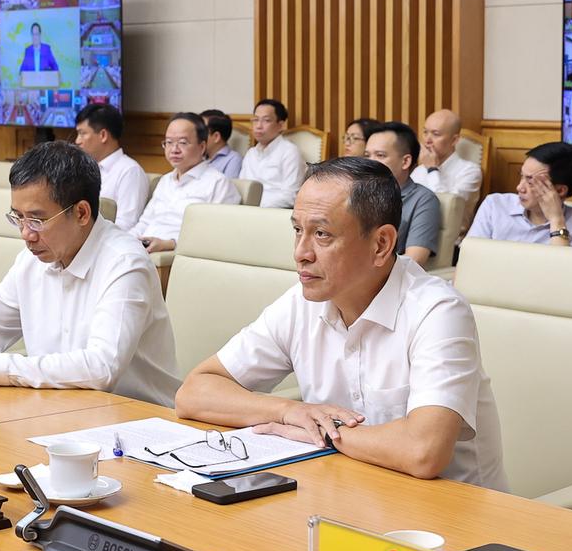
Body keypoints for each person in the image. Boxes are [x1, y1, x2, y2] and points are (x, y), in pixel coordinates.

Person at [175, 159, 508, 489]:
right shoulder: (301, 303)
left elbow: (423, 451)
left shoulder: (437, 311)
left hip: (448, 514)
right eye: (297, 230)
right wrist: (288, 411)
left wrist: (322, 432)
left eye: (322, 234)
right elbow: (194, 393)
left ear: (381, 244)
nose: (301, 253)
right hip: (346, 494)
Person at [0, 142, 179, 405]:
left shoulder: (125, 263)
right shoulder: (33, 259)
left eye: (37, 220)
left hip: (136, 419)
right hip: (58, 407)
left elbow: (101, 367)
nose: (26, 234)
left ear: (81, 213)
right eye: (18, 217)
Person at [132, 112, 240, 253]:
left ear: (202, 147)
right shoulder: (165, 180)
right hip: (142, 249)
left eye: (182, 143)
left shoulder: (218, 183)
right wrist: (125, 239)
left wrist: (170, 244)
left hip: (176, 255)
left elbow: (215, 235)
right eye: (169, 142)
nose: (174, 150)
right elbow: (144, 222)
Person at [468, 141, 572, 248]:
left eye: (530, 182)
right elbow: (470, 258)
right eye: (521, 176)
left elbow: (564, 270)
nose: (519, 187)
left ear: (559, 191)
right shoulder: (495, 205)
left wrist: (556, 221)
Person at [362, 122, 441, 265]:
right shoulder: (355, 192)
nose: (370, 163)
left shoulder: (423, 199)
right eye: (367, 156)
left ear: (405, 161)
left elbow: (414, 260)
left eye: (380, 155)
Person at [73, 103, 148, 231]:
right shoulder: (84, 169)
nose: (77, 141)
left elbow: (126, 224)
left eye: (82, 133)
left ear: (103, 135)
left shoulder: (130, 171)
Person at [411, 109, 482, 235]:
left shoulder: (470, 171)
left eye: (436, 134)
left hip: (448, 239)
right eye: (425, 132)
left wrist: (432, 170)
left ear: (454, 140)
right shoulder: (419, 170)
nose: (427, 140)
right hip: (415, 232)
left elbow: (445, 209)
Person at [240, 98, 305, 208]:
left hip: (274, 212)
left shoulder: (290, 152)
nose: (258, 126)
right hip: (247, 210)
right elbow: (242, 188)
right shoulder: (251, 153)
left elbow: (291, 196)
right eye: (255, 120)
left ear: (281, 125)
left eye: (266, 120)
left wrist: (258, 208)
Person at [200, 109, 243, 178]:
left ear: (216, 137)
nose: (197, 136)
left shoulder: (233, 159)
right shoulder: (198, 156)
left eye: (201, 132)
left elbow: (228, 184)